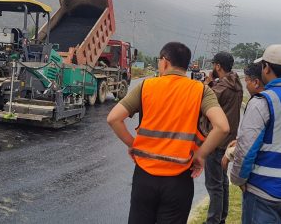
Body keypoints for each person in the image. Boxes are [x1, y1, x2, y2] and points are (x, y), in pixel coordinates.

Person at [107, 42, 230, 224]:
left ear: (164, 62)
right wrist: (200, 155)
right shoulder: (201, 90)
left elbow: (113, 118)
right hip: (179, 179)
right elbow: (222, 127)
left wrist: (133, 145)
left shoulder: (146, 86)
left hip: (144, 177)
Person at [231, 45, 281, 223]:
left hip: (264, 192)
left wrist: (238, 179)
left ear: (266, 68)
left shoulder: (263, 101)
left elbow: (246, 149)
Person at [203, 51, 243, 224]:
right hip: (228, 142)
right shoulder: (237, 84)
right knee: (222, 183)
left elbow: (204, 102)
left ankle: (213, 221)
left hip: (216, 141)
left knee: (214, 186)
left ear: (218, 66)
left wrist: (206, 84)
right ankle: (221, 219)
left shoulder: (220, 87)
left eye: (214, 64)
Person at [221, 62, 264, 170]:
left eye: (247, 80)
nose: (246, 85)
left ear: (256, 82)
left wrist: (229, 155)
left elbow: (249, 144)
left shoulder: (258, 103)